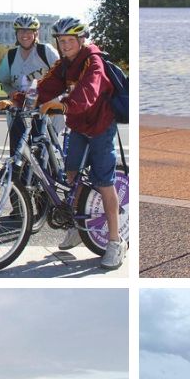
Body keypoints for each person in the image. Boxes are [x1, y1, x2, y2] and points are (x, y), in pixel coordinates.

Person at [36, 17, 126, 269]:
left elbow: (88, 92)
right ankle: (79, 225)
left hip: (100, 128)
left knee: (104, 183)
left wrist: (64, 105)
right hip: (77, 126)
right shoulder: (64, 64)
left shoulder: (93, 62)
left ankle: (115, 242)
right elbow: (45, 87)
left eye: (69, 41)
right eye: (61, 41)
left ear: (81, 40)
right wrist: (21, 99)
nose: (64, 46)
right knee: (72, 175)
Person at [0, 14, 60, 156]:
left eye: (29, 31)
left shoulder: (45, 50)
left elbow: (63, 73)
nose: (25, 35)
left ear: (36, 33)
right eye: (21, 31)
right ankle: (21, 179)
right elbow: (4, 81)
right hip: (19, 109)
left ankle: (47, 176)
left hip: (44, 109)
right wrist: (12, 93)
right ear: (16, 33)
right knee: (18, 151)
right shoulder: (11, 55)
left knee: (42, 151)